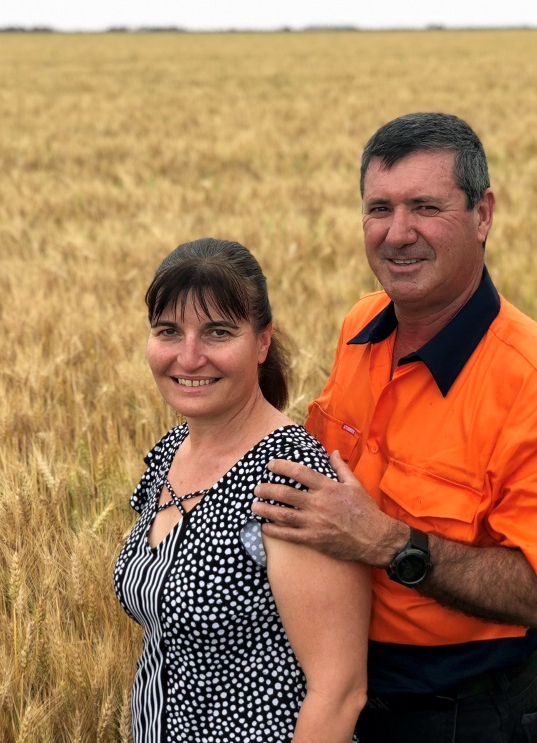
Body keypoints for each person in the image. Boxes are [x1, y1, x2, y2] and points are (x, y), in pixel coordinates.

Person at [253, 113, 537, 742]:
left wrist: (391, 544)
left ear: (483, 214)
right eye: (378, 208)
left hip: (457, 714)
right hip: (337, 692)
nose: (397, 233)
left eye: (425, 206)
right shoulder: (359, 328)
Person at [112, 238, 370, 743]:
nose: (189, 357)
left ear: (262, 342)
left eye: (217, 333)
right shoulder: (170, 452)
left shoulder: (287, 477)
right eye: (169, 331)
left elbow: (339, 690)